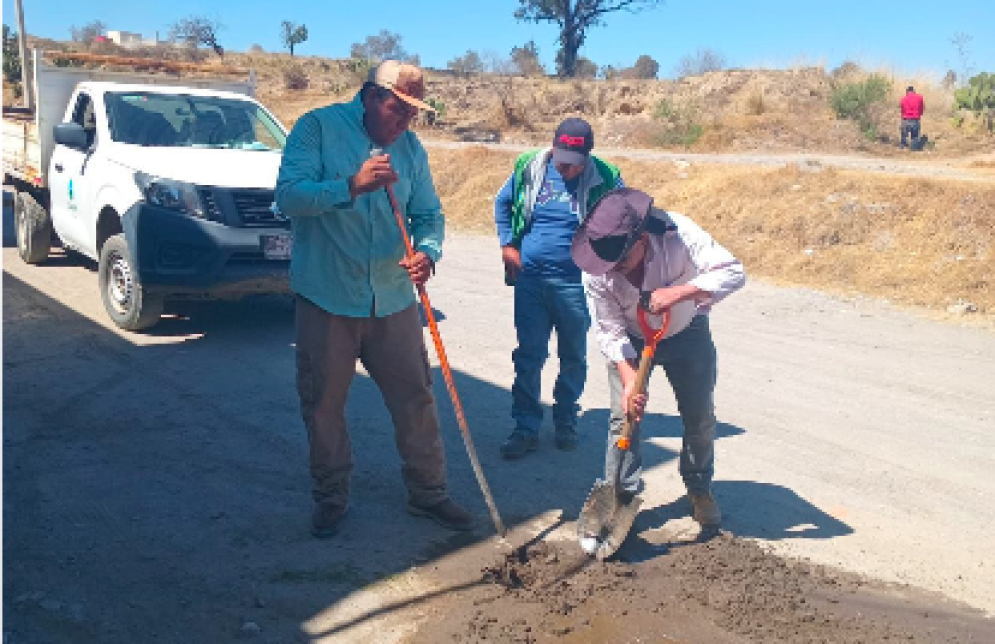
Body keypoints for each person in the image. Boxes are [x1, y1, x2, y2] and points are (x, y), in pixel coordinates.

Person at [275, 60, 472, 538]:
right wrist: (352, 186)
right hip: (327, 295)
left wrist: (427, 253)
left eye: (412, 112)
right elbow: (289, 198)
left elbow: (428, 215)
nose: (403, 120)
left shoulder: (411, 149)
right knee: (323, 404)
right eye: (395, 107)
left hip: (392, 297)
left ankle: (428, 493)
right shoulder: (316, 128)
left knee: (416, 399)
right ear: (368, 97)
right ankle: (331, 495)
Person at [571, 188, 745, 529]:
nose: (613, 270)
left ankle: (699, 487)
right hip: (633, 340)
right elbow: (609, 329)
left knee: (699, 416)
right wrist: (628, 379)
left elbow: (734, 271)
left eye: (620, 261)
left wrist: (681, 292)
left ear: (641, 238)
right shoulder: (597, 266)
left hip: (686, 331)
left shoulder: (680, 234)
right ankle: (621, 495)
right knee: (624, 416)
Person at [494, 118, 624, 459]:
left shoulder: (607, 178)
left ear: (587, 158)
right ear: (552, 146)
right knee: (529, 355)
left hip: (576, 284)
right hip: (531, 280)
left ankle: (566, 419)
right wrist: (508, 245)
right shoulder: (530, 166)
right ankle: (525, 427)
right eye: (561, 159)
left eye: (574, 163)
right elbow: (503, 205)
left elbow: (623, 224)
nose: (565, 168)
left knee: (573, 356)